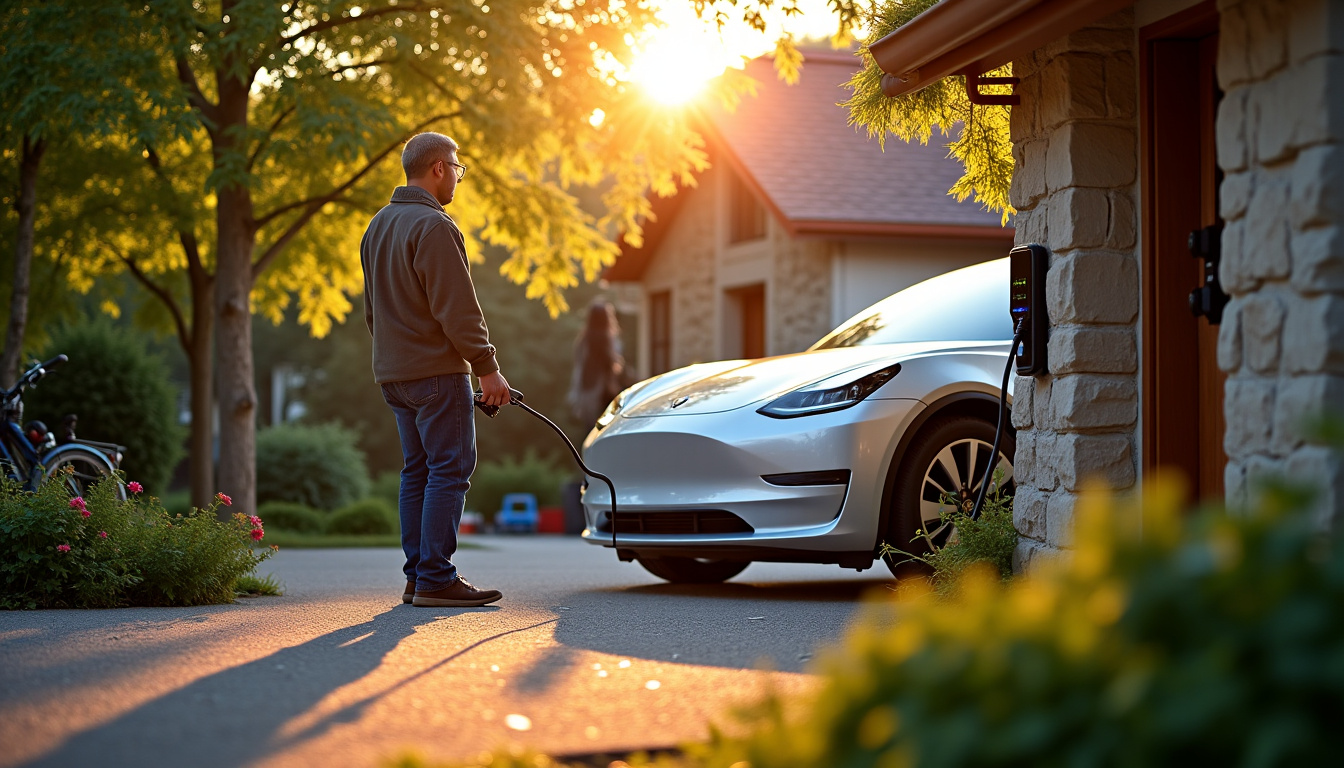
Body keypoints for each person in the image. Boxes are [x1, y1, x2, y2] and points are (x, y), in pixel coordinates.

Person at [361, 132, 510, 608]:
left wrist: (393, 357)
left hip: (393, 374)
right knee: (450, 469)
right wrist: (487, 368)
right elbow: (457, 309)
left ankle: (417, 576)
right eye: (458, 169)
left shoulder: (377, 226)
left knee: (418, 471)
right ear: (440, 168)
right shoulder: (434, 226)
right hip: (436, 374)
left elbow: (373, 311)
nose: (458, 180)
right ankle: (436, 578)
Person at [567, 300, 630, 428]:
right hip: (603, 395)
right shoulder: (608, 341)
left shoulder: (583, 342)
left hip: (587, 393)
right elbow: (613, 369)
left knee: (590, 431)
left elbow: (578, 370)